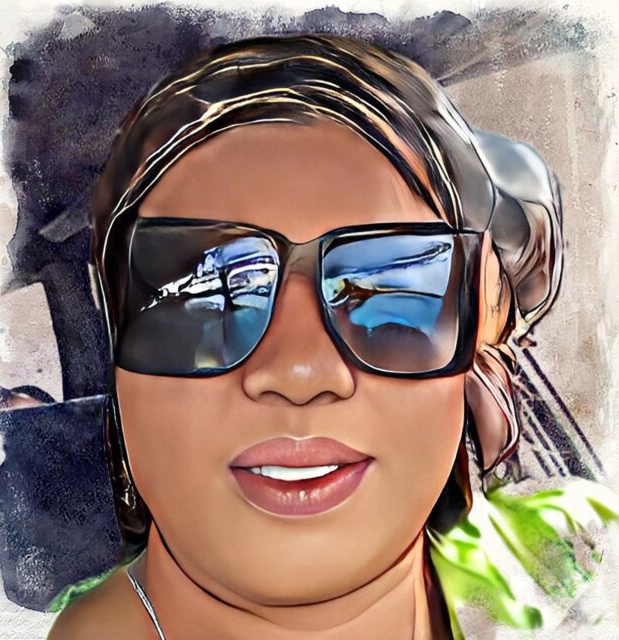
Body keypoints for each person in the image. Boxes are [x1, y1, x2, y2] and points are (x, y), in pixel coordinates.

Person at [47, 33, 582, 639]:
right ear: (119, 368)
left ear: (474, 357)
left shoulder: (574, 570)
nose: (300, 371)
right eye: (208, 300)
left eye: (389, 291)